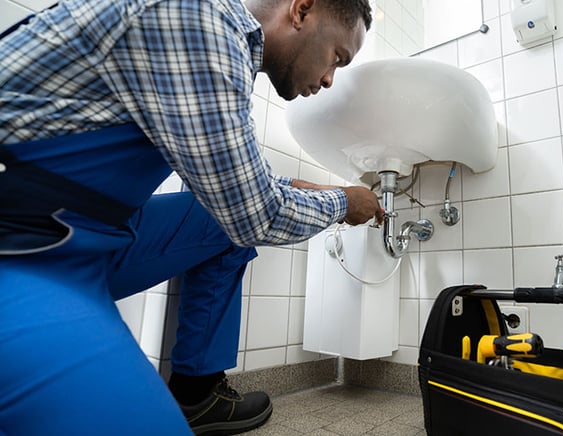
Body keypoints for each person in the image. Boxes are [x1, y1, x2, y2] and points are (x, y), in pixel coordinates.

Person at [0, 0, 378, 434]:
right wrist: (344, 203)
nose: (330, 78)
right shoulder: (199, 18)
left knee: (220, 221)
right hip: (19, 246)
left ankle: (197, 393)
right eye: (337, 57)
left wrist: (312, 190)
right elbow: (256, 213)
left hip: (85, 236)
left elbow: (233, 184)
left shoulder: (222, 42)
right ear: (302, 10)